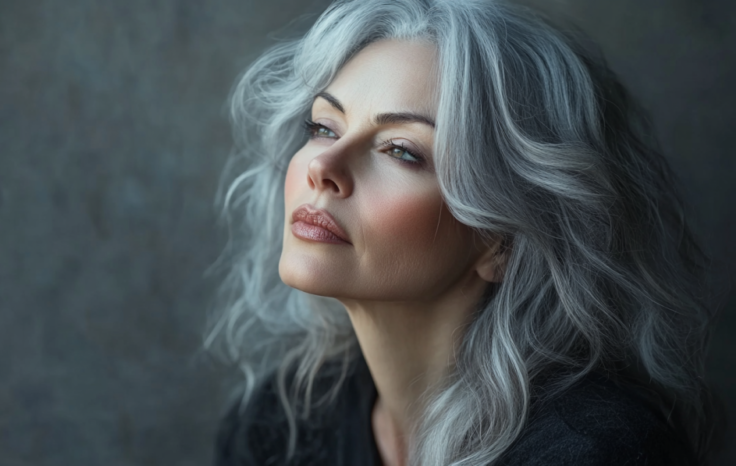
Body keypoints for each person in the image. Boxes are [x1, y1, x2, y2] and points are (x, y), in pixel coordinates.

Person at [206, 0, 721, 464]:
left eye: (402, 151)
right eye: (324, 127)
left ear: (501, 240)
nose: (324, 166)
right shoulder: (276, 428)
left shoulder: (598, 453)